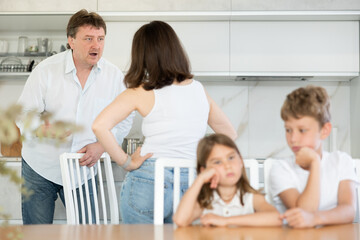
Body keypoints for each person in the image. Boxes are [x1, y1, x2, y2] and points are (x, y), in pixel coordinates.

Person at [92, 21, 237, 223]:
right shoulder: (198, 89)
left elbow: (99, 126)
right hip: (190, 182)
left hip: (149, 179)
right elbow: (229, 133)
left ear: (142, 55)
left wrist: (126, 162)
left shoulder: (141, 91)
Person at [16, 9, 133, 224]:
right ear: (71, 40)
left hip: (83, 170)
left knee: (86, 233)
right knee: (36, 235)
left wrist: (102, 145)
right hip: (40, 167)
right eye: (88, 39)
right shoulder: (46, 70)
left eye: (100, 39)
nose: (96, 45)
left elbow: (124, 118)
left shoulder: (114, 76)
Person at [269, 85, 358, 228]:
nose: (293, 139)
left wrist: (315, 218)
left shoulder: (341, 161)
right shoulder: (281, 169)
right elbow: (304, 212)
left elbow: (349, 210)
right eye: (288, 130)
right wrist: (315, 164)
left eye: (302, 130)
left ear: (324, 130)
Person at [173, 134, 281, 227]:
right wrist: (200, 179)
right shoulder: (205, 202)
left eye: (231, 158)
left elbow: (276, 218)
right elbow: (180, 220)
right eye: (217, 162)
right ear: (205, 170)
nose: (227, 166)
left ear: (241, 161)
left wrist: (225, 221)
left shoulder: (251, 198)